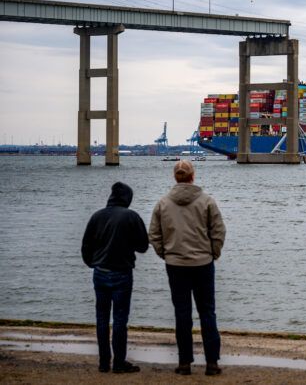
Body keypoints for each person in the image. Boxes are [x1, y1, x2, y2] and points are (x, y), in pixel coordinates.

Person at [149, 159, 226, 376]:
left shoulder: (162, 203)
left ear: (176, 177)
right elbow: (219, 231)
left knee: (182, 313)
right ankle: (212, 363)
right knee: (207, 312)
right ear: (193, 176)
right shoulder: (207, 202)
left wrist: (166, 254)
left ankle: (184, 363)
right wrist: (213, 254)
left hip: (175, 266)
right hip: (203, 264)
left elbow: (154, 234)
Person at [81, 181, 148, 374]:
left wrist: (92, 263)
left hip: (100, 273)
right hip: (122, 273)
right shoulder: (131, 216)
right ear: (128, 198)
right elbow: (143, 246)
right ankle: (119, 362)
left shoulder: (97, 216)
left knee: (101, 318)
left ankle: (103, 363)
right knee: (120, 319)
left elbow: (86, 246)